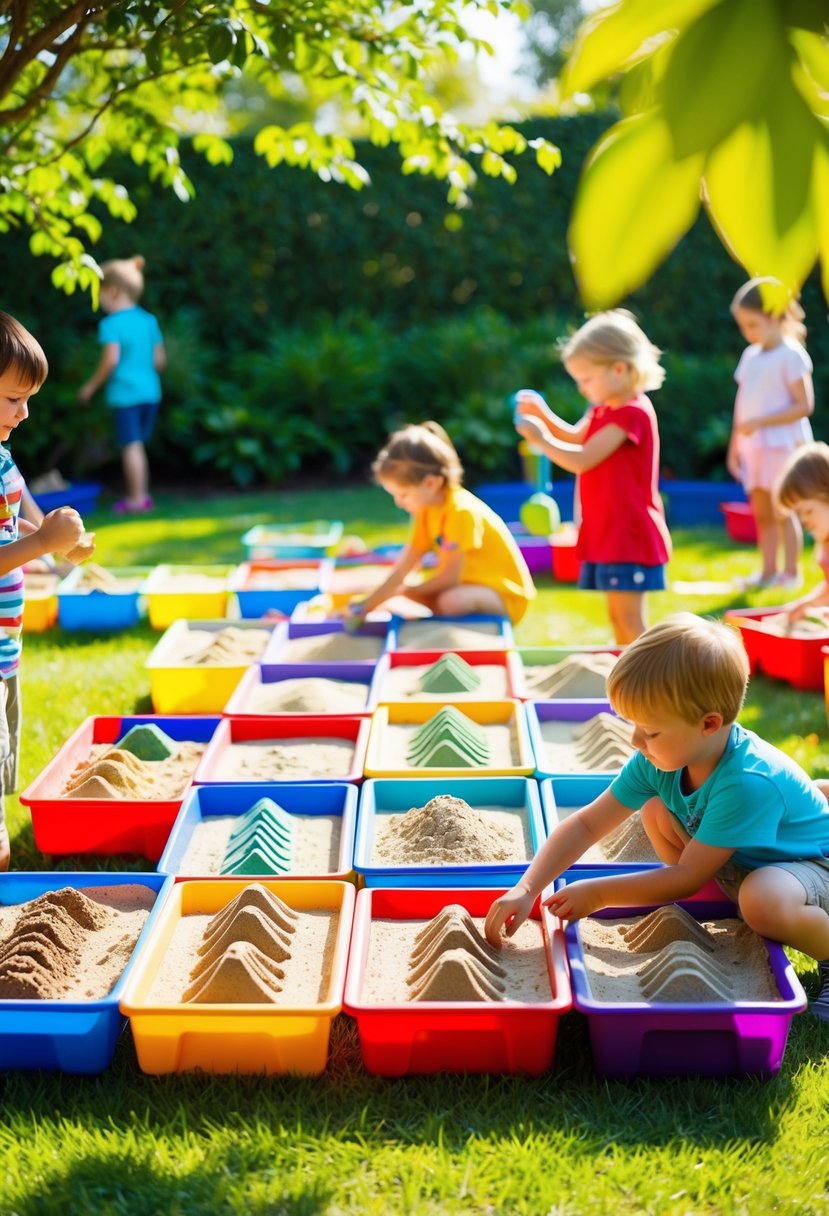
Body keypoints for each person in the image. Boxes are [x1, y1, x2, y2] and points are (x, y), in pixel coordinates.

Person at [485, 612, 829, 1020]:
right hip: (742, 862)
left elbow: (686, 878)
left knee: (762, 901)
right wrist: (528, 888)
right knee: (654, 804)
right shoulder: (661, 759)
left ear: (709, 724)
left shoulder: (747, 781)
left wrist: (597, 894)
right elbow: (587, 823)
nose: (635, 741)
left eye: (650, 731)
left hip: (809, 865)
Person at [0, 311, 95, 869]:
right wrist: (44, 545)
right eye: (14, 398)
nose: (25, 411)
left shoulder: (4, 457)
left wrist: (64, 545)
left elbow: (25, 527)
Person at [513, 310, 670, 645]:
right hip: (611, 531)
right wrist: (544, 416)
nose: (582, 388)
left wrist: (541, 440)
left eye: (586, 379)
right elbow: (576, 437)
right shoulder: (605, 407)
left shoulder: (631, 413)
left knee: (629, 619)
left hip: (629, 534)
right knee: (617, 618)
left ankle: (647, 682)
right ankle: (630, 680)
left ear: (618, 368)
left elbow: (583, 459)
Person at [347, 421, 536, 624]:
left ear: (431, 483)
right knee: (407, 591)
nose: (398, 502)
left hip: (505, 597)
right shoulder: (425, 511)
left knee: (450, 601)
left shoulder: (461, 511)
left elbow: (449, 578)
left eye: (404, 494)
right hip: (466, 588)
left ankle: (475, 629)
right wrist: (368, 604)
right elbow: (404, 568)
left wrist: (403, 591)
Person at [726, 277, 814, 591]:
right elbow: (742, 403)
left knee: (783, 510)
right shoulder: (750, 356)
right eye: (743, 325)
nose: (747, 332)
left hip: (782, 447)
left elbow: (804, 405)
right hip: (754, 448)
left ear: (775, 317)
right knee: (762, 512)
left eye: (752, 324)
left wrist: (762, 422)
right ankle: (767, 572)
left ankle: (790, 574)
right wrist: (735, 446)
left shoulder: (792, 356)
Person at [78, 255, 166, 515]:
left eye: (100, 294)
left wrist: (90, 387)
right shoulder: (149, 321)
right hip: (151, 393)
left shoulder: (111, 324)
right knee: (137, 445)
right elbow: (160, 360)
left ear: (114, 291)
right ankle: (141, 495)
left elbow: (111, 361)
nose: (99, 301)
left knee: (131, 446)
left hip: (126, 395)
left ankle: (138, 499)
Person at [775, 440, 829, 622]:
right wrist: (805, 605)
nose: (804, 520)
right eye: (799, 514)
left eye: (808, 511)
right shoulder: (824, 540)